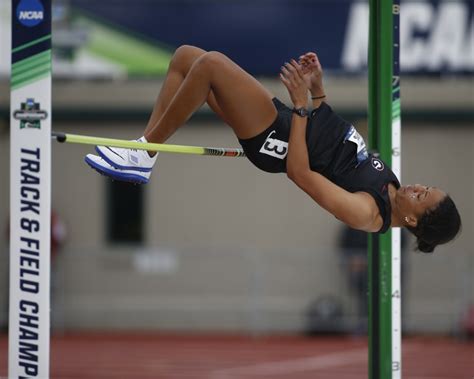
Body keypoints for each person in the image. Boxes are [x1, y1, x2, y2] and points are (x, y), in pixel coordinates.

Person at [84, 45, 461, 253]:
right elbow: (332, 142)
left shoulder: (367, 213)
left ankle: (145, 151)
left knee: (211, 65)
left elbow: (301, 173)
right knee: (186, 59)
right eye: (426, 187)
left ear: (413, 221)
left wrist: (299, 107)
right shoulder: (391, 185)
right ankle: (144, 155)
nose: (418, 187)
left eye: (423, 196)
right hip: (286, 120)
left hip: (276, 142)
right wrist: (317, 90)